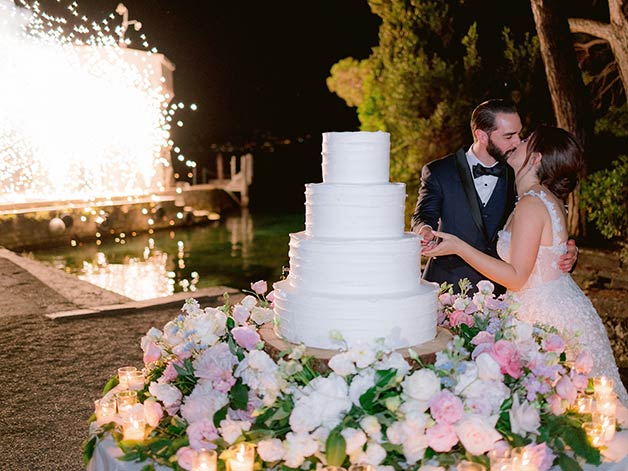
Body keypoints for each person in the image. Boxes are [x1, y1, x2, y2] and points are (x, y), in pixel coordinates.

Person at [422, 125, 628, 403]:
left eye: (525, 141)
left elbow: (517, 277)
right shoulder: (539, 197)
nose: (517, 142)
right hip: (552, 305)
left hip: (547, 317)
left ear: (536, 158)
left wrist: (458, 246)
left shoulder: (532, 203)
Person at [411, 99, 578, 293]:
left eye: (519, 134)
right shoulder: (439, 171)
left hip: (502, 292)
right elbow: (423, 214)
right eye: (509, 136)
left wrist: (567, 254)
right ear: (482, 136)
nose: (516, 142)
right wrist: (424, 230)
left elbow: (545, 222)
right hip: (447, 287)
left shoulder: (520, 172)